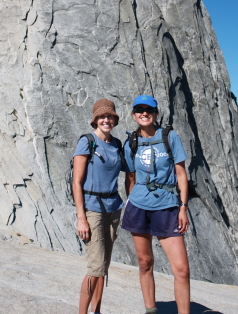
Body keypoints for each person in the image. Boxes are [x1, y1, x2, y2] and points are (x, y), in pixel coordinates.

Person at [122, 95, 190, 314]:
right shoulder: (131, 142)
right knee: (144, 263)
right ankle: (151, 310)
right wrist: (130, 203)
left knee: (181, 269)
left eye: (148, 110)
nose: (144, 113)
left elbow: (181, 174)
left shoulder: (170, 137)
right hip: (139, 206)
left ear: (155, 113)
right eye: (139, 110)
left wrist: (183, 207)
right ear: (134, 115)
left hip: (168, 206)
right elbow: (130, 177)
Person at [73, 98, 131, 314]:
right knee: (95, 268)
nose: (106, 120)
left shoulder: (116, 145)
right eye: (102, 116)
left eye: (110, 116)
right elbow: (76, 183)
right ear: (95, 120)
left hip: (113, 208)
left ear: (114, 120)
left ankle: (96, 311)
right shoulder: (87, 142)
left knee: (103, 268)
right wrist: (81, 218)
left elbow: (129, 172)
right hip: (92, 209)